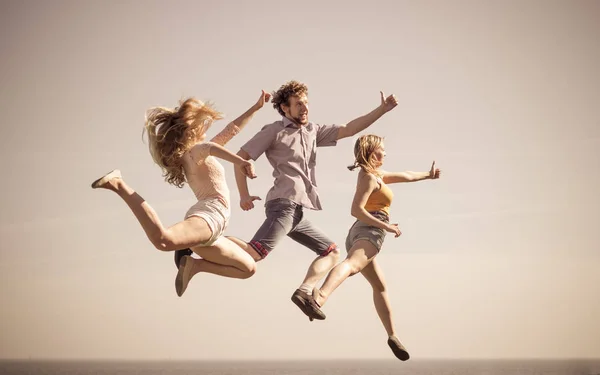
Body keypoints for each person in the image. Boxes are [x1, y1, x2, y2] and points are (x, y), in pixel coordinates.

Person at [232, 80, 399, 320]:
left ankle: (304, 292)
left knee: (330, 252)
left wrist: (381, 110)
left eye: (306, 103)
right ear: (284, 108)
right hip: (283, 204)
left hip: (297, 210)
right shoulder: (274, 130)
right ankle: (203, 239)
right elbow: (242, 157)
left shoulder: (312, 131)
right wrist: (244, 194)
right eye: (298, 104)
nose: (304, 108)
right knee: (254, 253)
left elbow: (349, 129)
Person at [91, 91, 271, 297]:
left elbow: (232, 130)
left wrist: (256, 107)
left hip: (213, 231)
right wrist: (241, 162)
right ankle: (118, 184)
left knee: (248, 269)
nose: (204, 125)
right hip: (210, 215)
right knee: (163, 241)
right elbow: (211, 147)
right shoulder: (196, 151)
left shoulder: (194, 154)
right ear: (190, 131)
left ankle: (195, 266)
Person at [305, 134, 441, 360]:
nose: (385, 154)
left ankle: (392, 336)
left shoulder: (378, 176)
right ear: (370, 152)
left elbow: (406, 175)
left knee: (380, 286)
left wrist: (428, 175)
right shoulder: (369, 177)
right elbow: (356, 209)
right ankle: (318, 298)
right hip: (369, 228)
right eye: (382, 150)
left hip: (361, 231)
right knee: (352, 265)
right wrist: (385, 226)